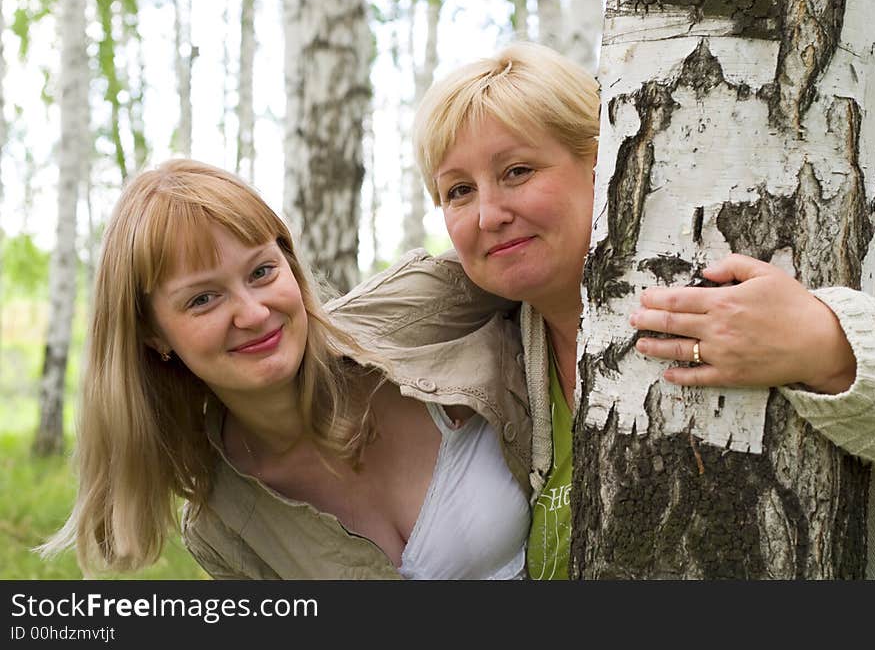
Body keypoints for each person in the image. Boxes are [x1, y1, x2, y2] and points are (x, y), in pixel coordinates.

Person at [411, 42, 875, 579]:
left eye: (518, 171)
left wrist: (832, 348)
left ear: (606, 160)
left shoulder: (738, 272)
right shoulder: (488, 367)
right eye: (459, 191)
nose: (489, 215)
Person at [40, 159, 533, 579]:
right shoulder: (224, 527)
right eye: (203, 299)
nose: (253, 313)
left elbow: (563, 271)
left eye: (261, 271)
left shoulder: (420, 307)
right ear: (154, 335)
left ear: (290, 265)